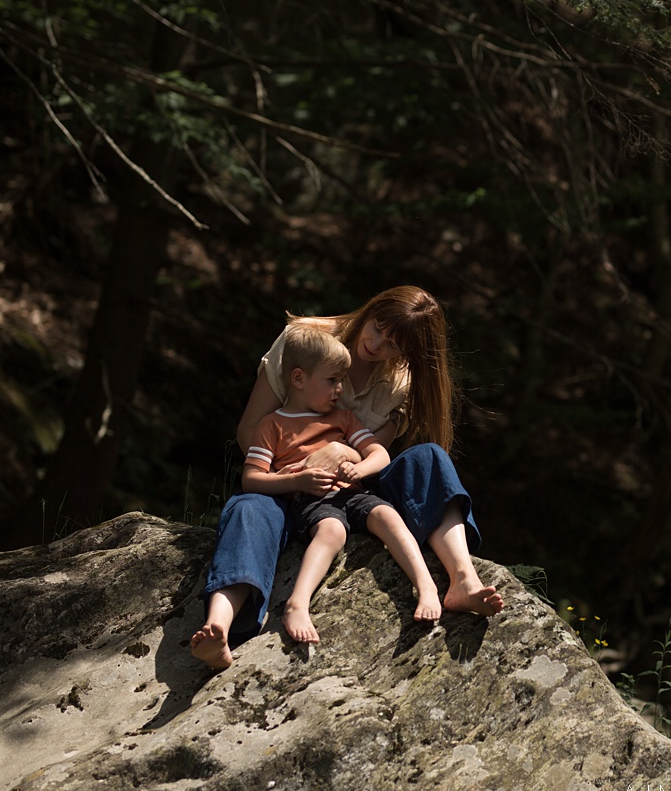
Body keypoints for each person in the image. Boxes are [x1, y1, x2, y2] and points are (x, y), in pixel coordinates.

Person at [191, 285, 503, 668]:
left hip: (356, 489)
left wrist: (341, 454)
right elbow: (250, 430)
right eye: (376, 329)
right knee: (249, 509)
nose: (376, 345)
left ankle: (462, 580)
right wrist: (293, 476)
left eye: (393, 346)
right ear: (371, 308)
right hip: (284, 484)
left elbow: (377, 452)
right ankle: (219, 628)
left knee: (430, 459)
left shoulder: (400, 380)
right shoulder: (303, 341)